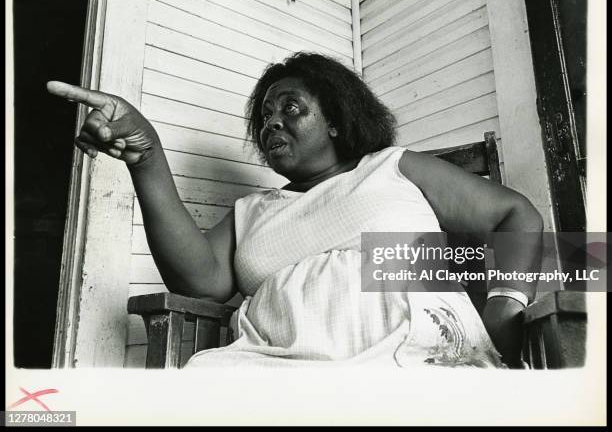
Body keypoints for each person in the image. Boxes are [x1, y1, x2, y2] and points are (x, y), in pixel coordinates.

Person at [47, 52, 543, 368]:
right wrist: (148, 156)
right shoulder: (253, 211)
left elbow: (515, 216)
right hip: (267, 365)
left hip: (409, 358)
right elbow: (199, 284)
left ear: (335, 121)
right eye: (265, 116)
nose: (272, 124)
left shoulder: (392, 167)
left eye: (291, 108)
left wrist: (505, 309)